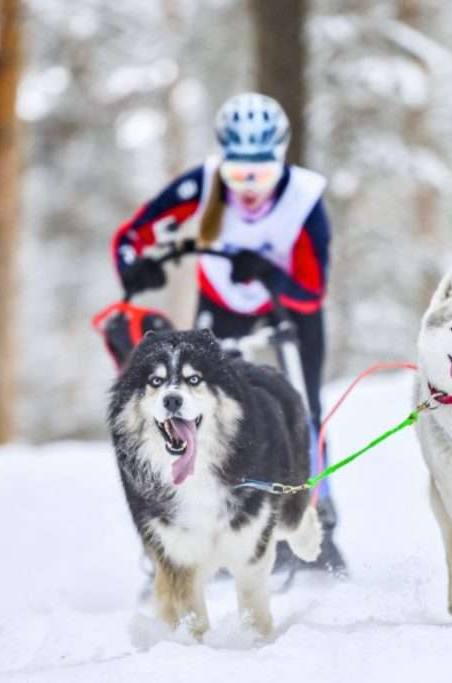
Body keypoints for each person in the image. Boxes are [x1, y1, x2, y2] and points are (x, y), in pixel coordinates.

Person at [111, 92, 345, 575]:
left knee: (307, 408)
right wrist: (134, 266)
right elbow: (133, 235)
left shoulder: (304, 199)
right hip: (222, 303)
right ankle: (200, 518)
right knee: (204, 407)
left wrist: (269, 272)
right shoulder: (203, 184)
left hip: (290, 307)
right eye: (238, 174)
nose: (249, 188)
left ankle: (316, 515)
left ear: (280, 161)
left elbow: (311, 289)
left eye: (261, 174)